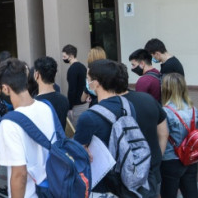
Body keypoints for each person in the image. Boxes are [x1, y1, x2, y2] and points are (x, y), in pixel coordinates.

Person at [0, 57, 57, 198]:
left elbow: (19, 174)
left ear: (5, 88)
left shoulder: (9, 123)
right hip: (54, 188)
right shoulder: (47, 107)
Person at [73, 59, 138, 196]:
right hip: (127, 175)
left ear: (96, 83)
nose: (87, 82)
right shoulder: (128, 105)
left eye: (88, 79)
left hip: (101, 184)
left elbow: (77, 150)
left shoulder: (89, 117)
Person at [118, 62, 168, 198]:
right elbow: (163, 133)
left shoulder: (110, 107)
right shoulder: (148, 99)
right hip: (152, 167)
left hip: (125, 177)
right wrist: (158, 156)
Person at [160, 73, 198, 198]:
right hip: (190, 158)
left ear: (165, 89)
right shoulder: (193, 109)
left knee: (168, 194)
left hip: (171, 159)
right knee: (191, 193)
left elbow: (163, 136)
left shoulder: (165, 111)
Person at [32, 56, 69, 130]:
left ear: (37, 74)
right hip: (60, 141)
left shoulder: (33, 104)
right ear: (54, 74)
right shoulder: (64, 100)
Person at [62, 44, 89, 124]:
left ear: (71, 56)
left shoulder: (72, 69)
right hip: (85, 103)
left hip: (77, 106)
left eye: (64, 56)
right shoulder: (83, 67)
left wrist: (70, 107)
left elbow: (72, 90)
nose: (63, 58)